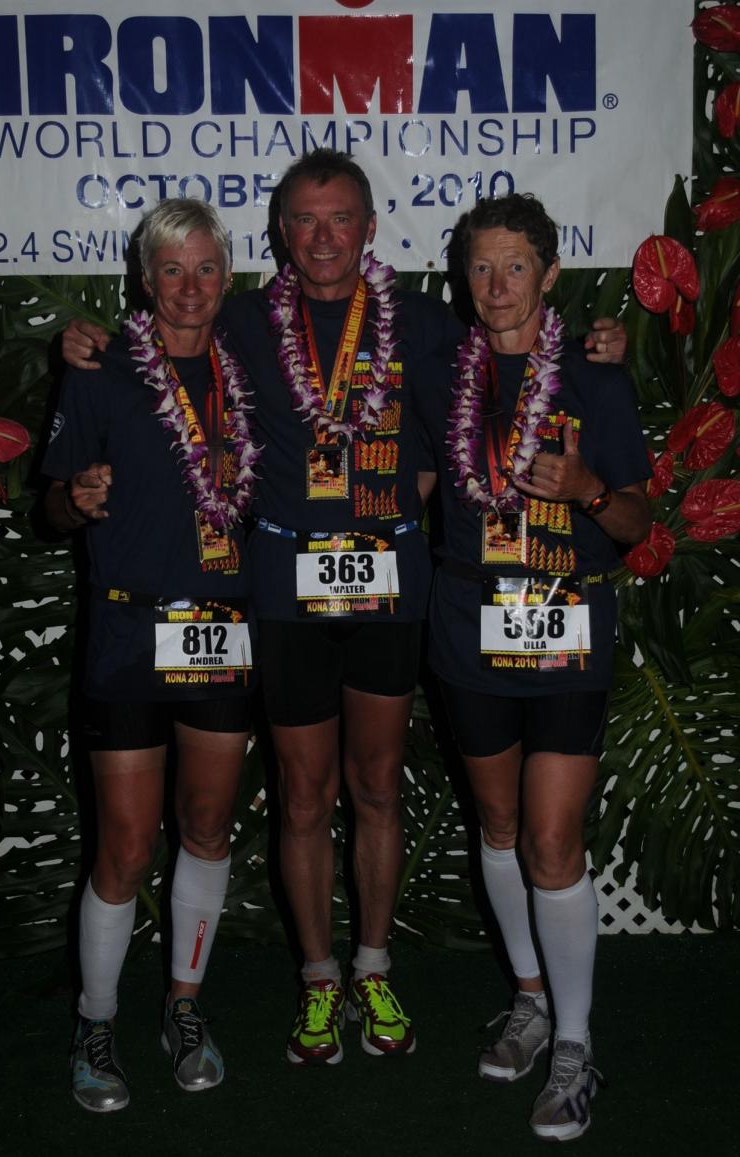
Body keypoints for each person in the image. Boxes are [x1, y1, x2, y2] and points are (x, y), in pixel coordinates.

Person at [61, 151, 629, 1069]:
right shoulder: (239, 319)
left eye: (341, 218)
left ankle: (373, 964)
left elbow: (516, 363)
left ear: (370, 226)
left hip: (390, 595)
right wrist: (85, 339)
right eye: (304, 219)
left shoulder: (428, 322)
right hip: (283, 597)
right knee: (302, 795)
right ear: (281, 233)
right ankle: (319, 977)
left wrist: (605, 341)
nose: (323, 237)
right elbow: (157, 336)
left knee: (375, 786)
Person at [416, 193, 651, 1141]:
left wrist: (589, 488)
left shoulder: (595, 377)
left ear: (550, 274)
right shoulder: (440, 372)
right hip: (468, 623)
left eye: (516, 265)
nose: (498, 284)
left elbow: (635, 522)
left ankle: (575, 1046)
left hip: (567, 624)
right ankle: (530, 998)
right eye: (481, 266)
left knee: (552, 838)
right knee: (502, 824)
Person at [44, 199, 261, 1111]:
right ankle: (95, 1021)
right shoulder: (101, 369)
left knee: (206, 826)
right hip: (130, 633)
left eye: (205, 267)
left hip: (222, 629)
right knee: (128, 845)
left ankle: (183, 1004)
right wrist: (77, 498)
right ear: (145, 280)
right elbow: (52, 505)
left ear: (227, 277)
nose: (190, 286)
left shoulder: (253, 364)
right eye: (171, 269)